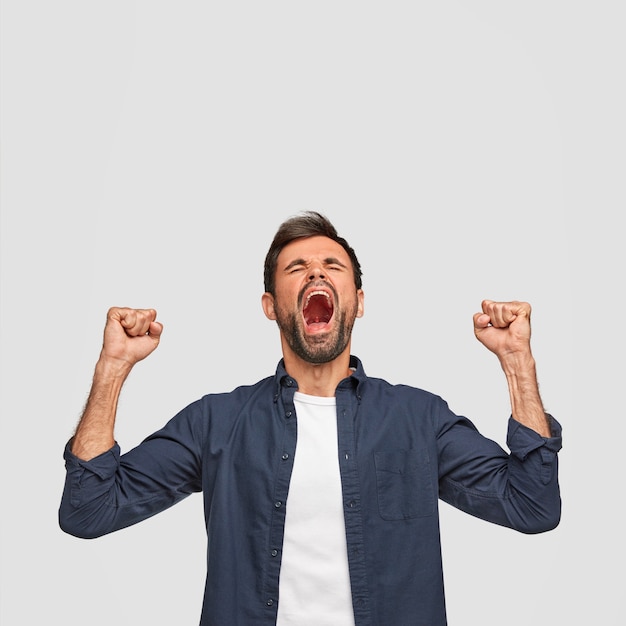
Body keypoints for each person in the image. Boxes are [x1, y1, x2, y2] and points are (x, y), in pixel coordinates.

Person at [59, 211, 562, 626]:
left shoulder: (419, 418)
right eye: (296, 267)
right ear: (271, 306)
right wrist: (113, 368)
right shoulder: (216, 422)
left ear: (358, 303)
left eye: (332, 266)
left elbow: (532, 507)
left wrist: (518, 364)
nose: (316, 273)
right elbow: (89, 511)